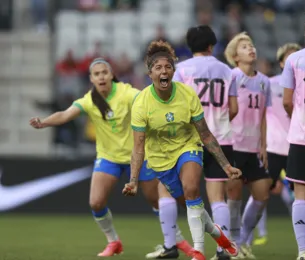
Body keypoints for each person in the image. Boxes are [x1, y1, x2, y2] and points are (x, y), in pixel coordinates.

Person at [29, 58, 192, 257]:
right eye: (96, 74)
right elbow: (65, 114)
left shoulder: (126, 93)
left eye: (104, 72)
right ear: (91, 78)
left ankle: (177, 240)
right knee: (96, 203)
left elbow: (148, 101)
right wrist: (43, 122)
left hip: (139, 157)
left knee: (158, 202)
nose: (101, 77)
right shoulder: (89, 100)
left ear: (111, 75)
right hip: (109, 158)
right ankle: (113, 241)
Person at [122, 40, 241, 260]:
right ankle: (221, 238)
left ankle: (198, 253)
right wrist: (134, 180)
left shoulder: (187, 95)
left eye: (167, 67)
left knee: (192, 188)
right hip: (160, 160)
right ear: (150, 74)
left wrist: (226, 165)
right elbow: (138, 147)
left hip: (188, 147)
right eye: (158, 68)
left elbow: (205, 134)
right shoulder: (141, 103)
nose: (163, 71)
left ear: (173, 71)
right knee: (191, 204)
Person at [172, 25, 239, 260]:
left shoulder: (181, 70)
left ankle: (196, 247)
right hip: (221, 139)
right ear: (212, 46)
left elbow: (176, 106)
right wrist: (218, 121)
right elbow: (234, 109)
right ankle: (223, 249)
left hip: (189, 141)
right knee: (218, 198)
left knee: (191, 196)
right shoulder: (226, 71)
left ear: (190, 46)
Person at [247, 43, 301, 247]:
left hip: (300, 148)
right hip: (273, 149)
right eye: (289, 58)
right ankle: (244, 242)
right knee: (259, 197)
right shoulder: (269, 84)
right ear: (281, 63)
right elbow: (256, 115)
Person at [224, 32, 272, 259]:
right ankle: (233, 245)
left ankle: (241, 240)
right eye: (244, 47)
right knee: (233, 197)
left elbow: (263, 116)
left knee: (263, 193)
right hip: (233, 145)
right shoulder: (230, 77)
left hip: (254, 148)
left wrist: (264, 144)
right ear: (235, 57)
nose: (251, 49)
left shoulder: (264, 81)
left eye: (251, 45)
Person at [281, 11, 305, 260]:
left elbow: (287, 101)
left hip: (303, 135)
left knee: (301, 193)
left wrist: (300, 116)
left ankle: (303, 251)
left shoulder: (294, 59)